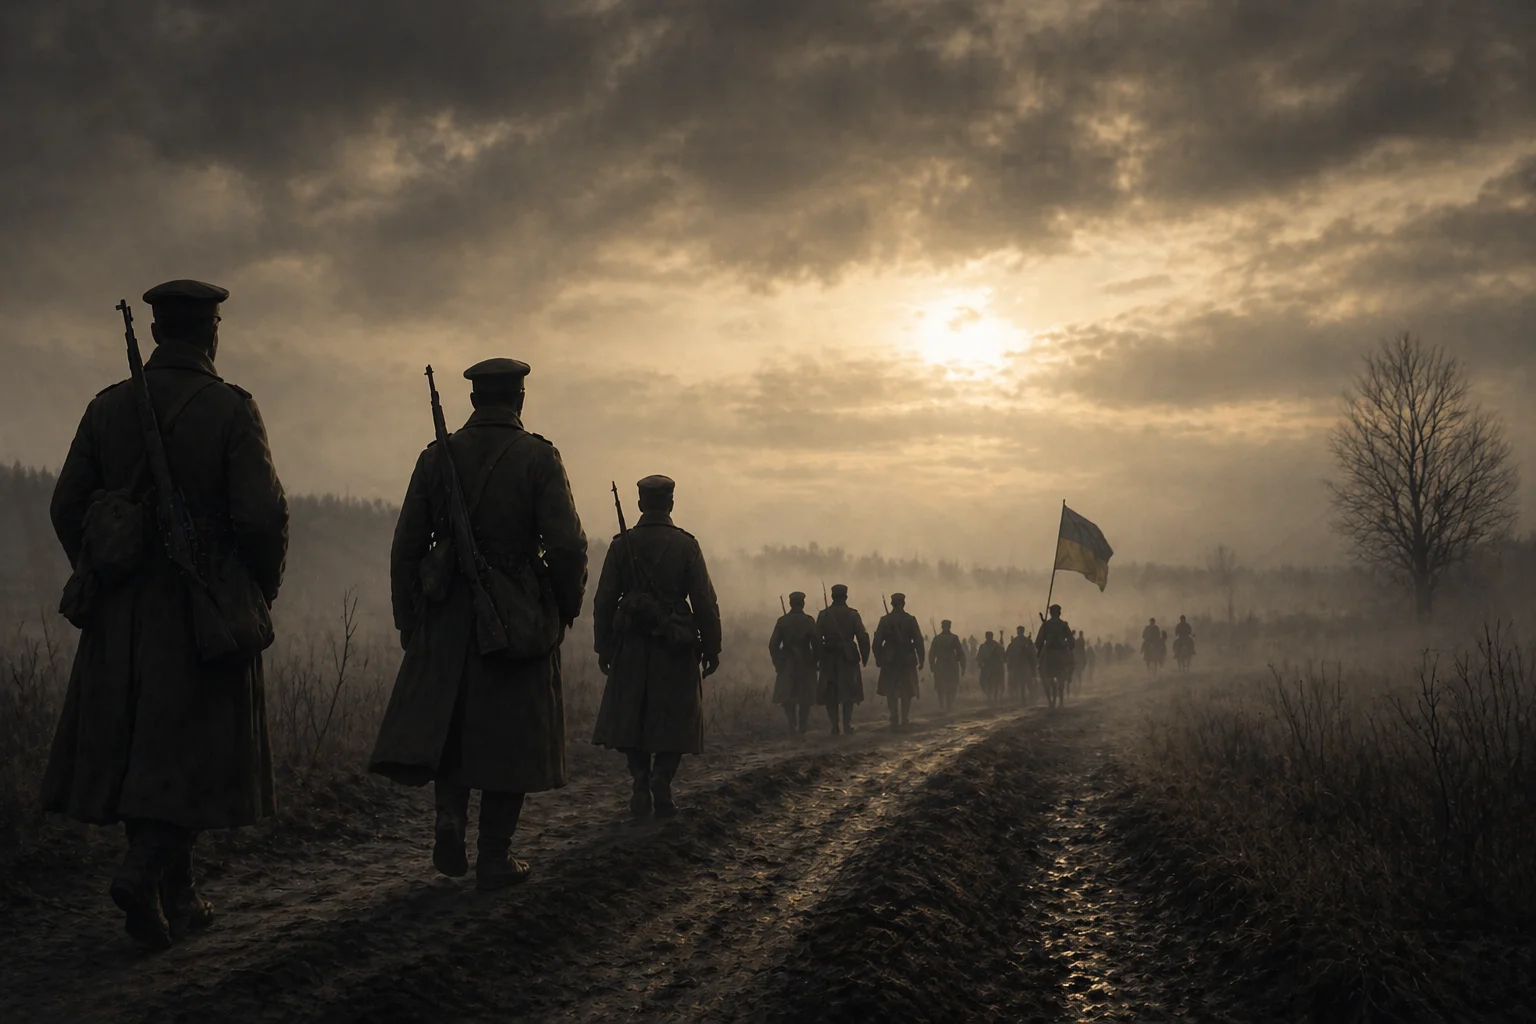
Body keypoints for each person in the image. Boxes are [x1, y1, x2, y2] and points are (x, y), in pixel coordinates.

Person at [43, 280, 289, 948]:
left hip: (120, 614)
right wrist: (256, 589)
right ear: (212, 332)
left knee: (145, 750)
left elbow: (67, 505)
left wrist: (106, 567)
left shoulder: (108, 407)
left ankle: (173, 899)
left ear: (155, 333)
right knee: (199, 747)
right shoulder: (231, 408)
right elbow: (260, 516)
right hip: (199, 608)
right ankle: (141, 872)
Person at [370, 358, 588, 890]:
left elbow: (405, 547)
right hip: (518, 614)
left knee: (453, 726)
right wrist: (562, 608)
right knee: (512, 734)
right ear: (520, 399)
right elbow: (567, 546)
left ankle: (449, 818)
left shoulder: (436, 456)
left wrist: (409, 618)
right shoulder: (539, 456)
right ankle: (495, 854)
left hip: (446, 614)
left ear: (473, 400)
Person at [591, 475, 722, 819]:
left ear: (640, 504)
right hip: (675, 646)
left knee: (631, 715)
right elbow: (705, 601)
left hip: (631, 644)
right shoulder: (686, 546)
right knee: (676, 716)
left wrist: (603, 645)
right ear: (671, 504)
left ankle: (640, 781)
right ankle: (662, 779)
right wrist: (712, 646)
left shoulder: (621, 545)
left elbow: (603, 600)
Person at [816, 583, 870, 735]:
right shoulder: (853, 615)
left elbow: (816, 638)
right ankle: (847, 724)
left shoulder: (824, 615)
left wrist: (818, 658)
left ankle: (834, 725)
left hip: (829, 656)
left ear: (832, 596)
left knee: (830, 692)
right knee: (849, 691)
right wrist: (865, 656)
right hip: (848, 657)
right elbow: (862, 636)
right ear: (845, 597)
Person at [873, 592, 924, 730]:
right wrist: (921, 659)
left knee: (891, 689)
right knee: (907, 689)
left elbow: (877, 642)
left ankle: (894, 717)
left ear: (891, 603)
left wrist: (879, 658)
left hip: (889, 659)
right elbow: (918, 641)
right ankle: (904, 718)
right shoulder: (910, 620)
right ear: (904, 603)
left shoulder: (885, 620)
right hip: (907, 658)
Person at [769, 592, 818, 736]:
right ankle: (802, 727)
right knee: (805, 696)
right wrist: (815, 661)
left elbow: (773, 645)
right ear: (803, 604)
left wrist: (778, 662)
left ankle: (792, 725)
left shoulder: (782, 621)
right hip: (805, 660)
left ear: (790, 604)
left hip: (787, 661)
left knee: (788, 695)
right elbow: (816, 644)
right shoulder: (809, 621)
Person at [1034, 605, 1074, 708]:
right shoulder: (1064, 625)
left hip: (1049, 654)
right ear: (1059, 613)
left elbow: (1038, 642)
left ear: (1051, 613)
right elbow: (1071, 642)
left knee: (1045, 674)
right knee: (1067, 669)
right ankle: (1061, 701)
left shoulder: (1046, 625)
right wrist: (1066, 644)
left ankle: (1051, 701)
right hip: (1061, 654)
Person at [928, 619, 966, 713]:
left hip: (945, 664)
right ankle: (944, 705)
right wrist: (932, 664)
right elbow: (932, 653)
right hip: (946, 664)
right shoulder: (950, 638)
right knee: (942, 685)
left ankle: (947, 705)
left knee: (949, 685)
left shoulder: (941, 638)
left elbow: (960, 652)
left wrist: (962, 664)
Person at [1005, 626, 1036, 705]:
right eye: (1018, 631)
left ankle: (1030, 698)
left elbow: (1032, 652)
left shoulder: (1027, 641)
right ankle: (1022, 698)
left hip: (1025, 663)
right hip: (1018, 664)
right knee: (1020, 682)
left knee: (1027, 682)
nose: (1019, 632)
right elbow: (1009, 653)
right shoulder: (1015, 641)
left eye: (1020, 631)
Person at [976, 631, 1005, 704]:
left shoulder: (997, 646)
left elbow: (1002, 654)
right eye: (987, 636)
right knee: (987, 682)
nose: (988, 637)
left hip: (995, 666)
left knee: (995, 682)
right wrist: (980, 664)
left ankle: (995, 697)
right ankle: (989, 697)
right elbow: (979, 657)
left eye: (989, 636)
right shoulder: (983, 646)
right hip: (987, 666)